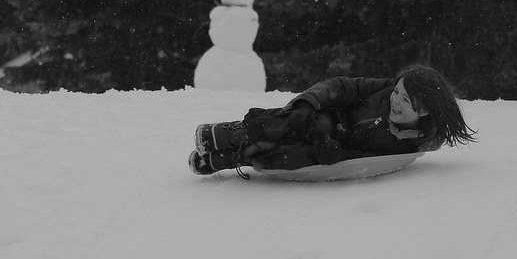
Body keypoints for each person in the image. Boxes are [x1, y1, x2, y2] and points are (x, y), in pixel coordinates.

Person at [189, 63, 476, 175]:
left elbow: (366, 157)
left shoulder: (407, 144)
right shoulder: (384, 88)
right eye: (396, 92)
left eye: (404, 100)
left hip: (333, 143)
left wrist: (338, 154)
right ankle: (237, 134)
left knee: (295, 155)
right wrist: (307, 104)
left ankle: (234, 157)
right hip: (326, 118)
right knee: (294, 122)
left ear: (424, 111)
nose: (395, 101)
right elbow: (342, 86)